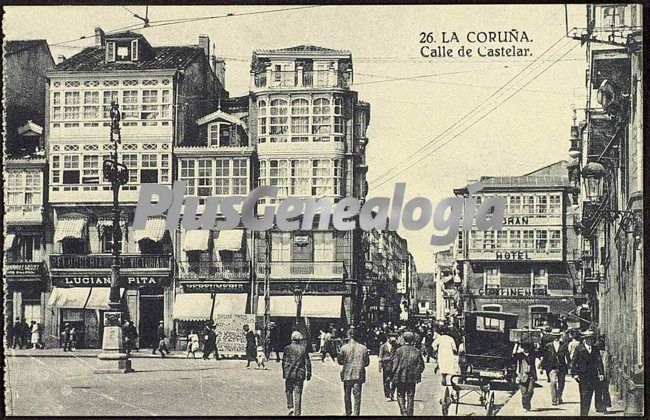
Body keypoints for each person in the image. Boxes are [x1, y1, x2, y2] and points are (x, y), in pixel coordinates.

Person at [337, 327, 370, 416]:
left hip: (347, 374)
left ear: (349, 336)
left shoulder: (343, 348)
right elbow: (367, 363)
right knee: (357, 396)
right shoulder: (363, 348)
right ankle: (356, 413)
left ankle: (348, 412)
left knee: (347, 395)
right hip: (358, 374)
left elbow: (339, 361)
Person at [391, 332, 426, 416]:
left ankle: (403, 412)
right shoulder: (417, 351)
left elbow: (395, 365)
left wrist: (392, 375)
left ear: (403, 339)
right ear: (412, 340)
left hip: (400, 377)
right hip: (412, 378)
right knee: (410, 397)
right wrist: (417, 373)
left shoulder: (399, 350)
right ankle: (409, 414)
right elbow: (421, 365)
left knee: (400, 395)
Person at [572, 330, 605, 416]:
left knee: (590, 394)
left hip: (593, 375)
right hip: (582, 375)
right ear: (585, 339)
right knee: (584, 395)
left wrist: (601, 373)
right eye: (589, 339)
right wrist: (575, 374)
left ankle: (589, 410)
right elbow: (574, 362)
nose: (591, 341)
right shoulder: (579, 348)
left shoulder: (595, 349)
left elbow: (599, 361)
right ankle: (583, 413)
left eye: (592, 339)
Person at [282, 331, 312, 416]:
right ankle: (297, 412)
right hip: (300, 374)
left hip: (289, 374)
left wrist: (284, 373)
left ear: (292, 338)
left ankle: (290, 406)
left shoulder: (287, 348)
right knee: (298, 393)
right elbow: (307, 362)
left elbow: (284, 362)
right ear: (299, 339)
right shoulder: (303, 348)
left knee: (288, 390)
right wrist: (308, 373)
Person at [541, 329, 569, 405]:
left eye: (558, 336)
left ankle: (559, 397)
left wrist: (569, 366)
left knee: (561, 383)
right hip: (552, 367)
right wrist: (542, 366)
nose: (556, 337)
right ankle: (554, 399)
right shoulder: (548, 346)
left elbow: (567, 356)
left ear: (560, 336)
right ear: (552, 336)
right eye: (555, 336)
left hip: (562, 367)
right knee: (553, 383)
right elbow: (545, 356)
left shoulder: (564, 345)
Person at [513, 341, 542, 412]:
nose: (526, 349)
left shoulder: (533, 354)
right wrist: (516, 344)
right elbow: (513, 354)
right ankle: (525, 406)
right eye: (525, 347)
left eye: (527, 347)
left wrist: (538, 343)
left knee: (530, 392)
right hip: (522, 375)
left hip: (531, 375)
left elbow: (540, 353)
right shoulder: (520, 355)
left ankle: (527, 405)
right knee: (523, 392)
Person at [378, 335, 397, 401]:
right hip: (386, 366)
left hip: (394, 366)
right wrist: (380, 366)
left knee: (394, 381)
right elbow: (380, 357)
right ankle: (387, 395)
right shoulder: (383, 346)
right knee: (386, 381)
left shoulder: (395, 346)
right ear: (388, 338)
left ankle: (392, 393)